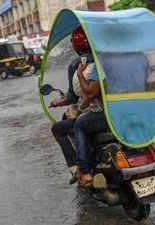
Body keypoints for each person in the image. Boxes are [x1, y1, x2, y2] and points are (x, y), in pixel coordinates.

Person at [50, 26, 108, 187]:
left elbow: (87, 94)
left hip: (103, 113)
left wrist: (73, 104)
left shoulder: (80, 66)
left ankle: (82, 169)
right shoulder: (112, 59)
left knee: (74, 125)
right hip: (123, 110)